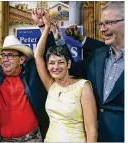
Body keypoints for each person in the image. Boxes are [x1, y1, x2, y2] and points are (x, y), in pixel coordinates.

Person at [34, 10, 97, 142]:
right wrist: (46, 28)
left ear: (68, 64)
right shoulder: (51, 85)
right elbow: (38, 56)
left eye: (60, 62)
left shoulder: (83, 86)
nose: (55, 67)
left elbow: (91, 129)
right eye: (51, 63)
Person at [87, 1, 124, 142]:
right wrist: (47, 30)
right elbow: (66, 68)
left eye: (108, 22)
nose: (102, 29)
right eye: (101, 24)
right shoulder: (98, 55)